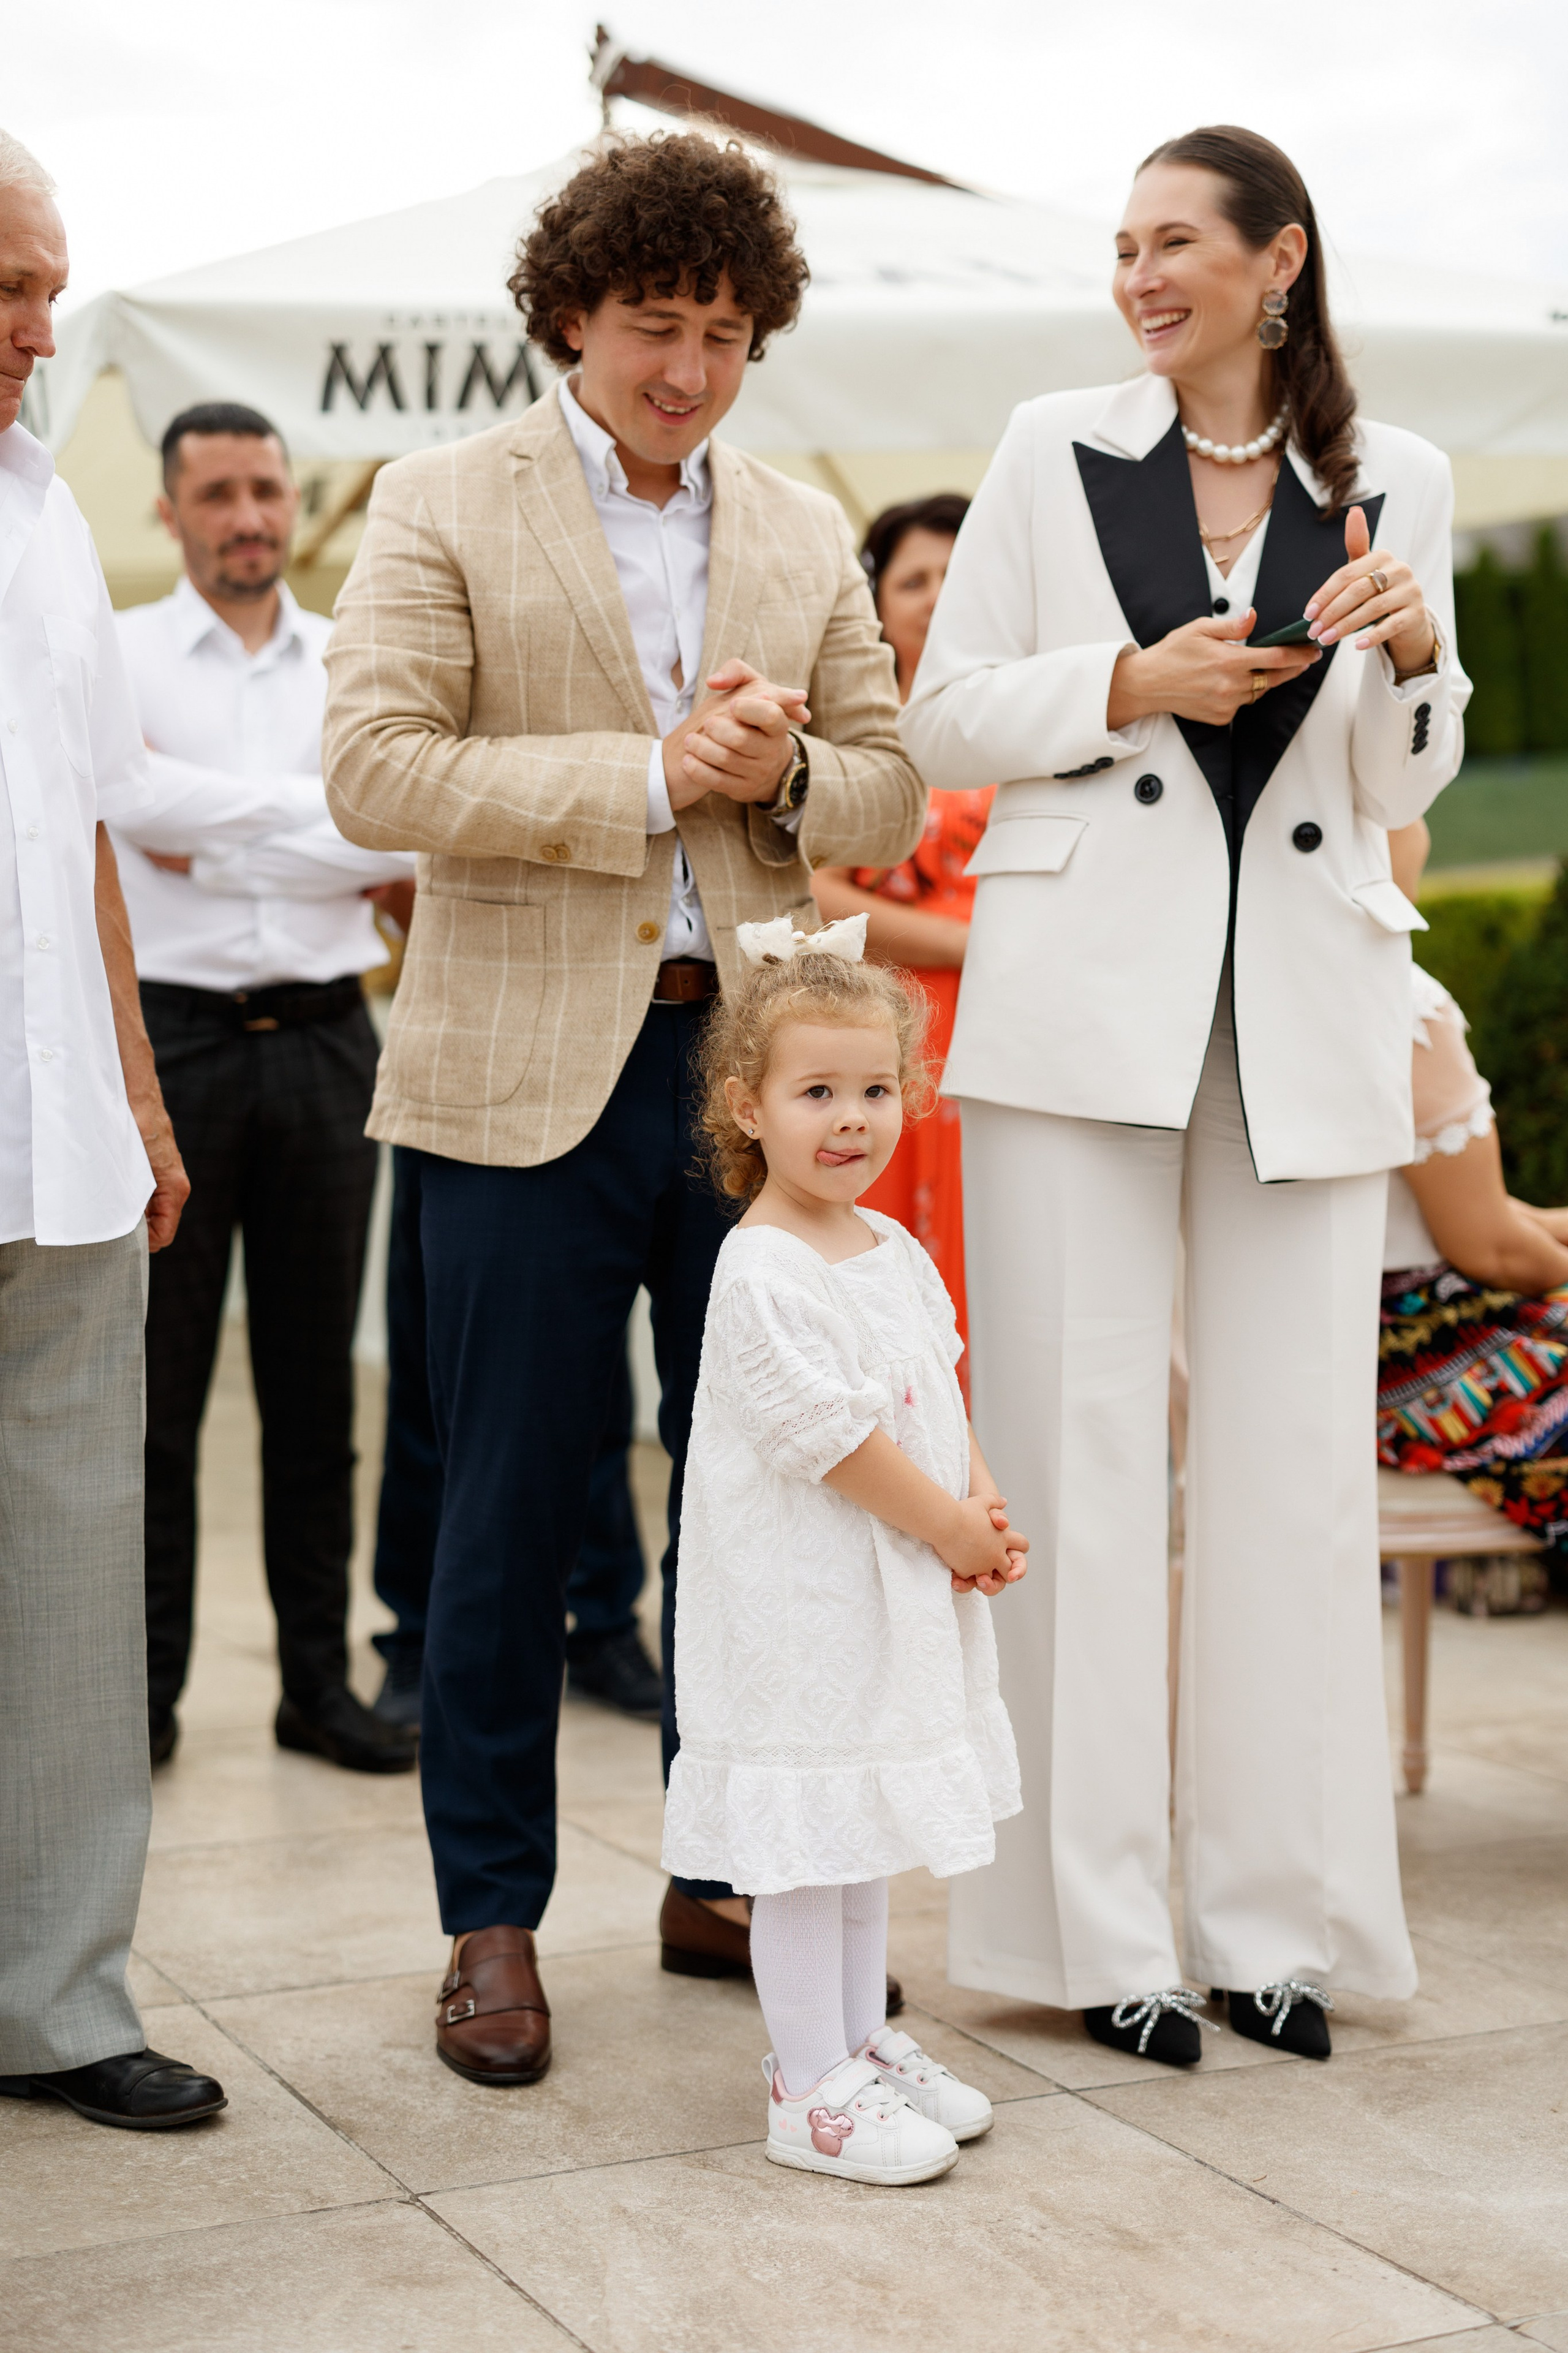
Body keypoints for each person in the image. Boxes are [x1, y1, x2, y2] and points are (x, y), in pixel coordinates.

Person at [324, 132, 924, 2087]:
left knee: (753, 1497)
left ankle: (717, 1875)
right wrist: (653, 773)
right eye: (656, 324)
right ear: (570, 314)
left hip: (744, 1086)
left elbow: (893, 782)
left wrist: (779, 777)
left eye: (727, 334)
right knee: (504, 1512)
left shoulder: (803, 524)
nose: (689, 368)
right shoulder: (438, 497)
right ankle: (489, 1917)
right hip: (513, 1087)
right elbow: (375, 768)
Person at [903, 125, 1469, 2066]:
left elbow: (1394, 784)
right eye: (1122, 244)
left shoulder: (1398, 477)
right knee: (1071, 1460)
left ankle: (1272, 1923)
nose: (1137, 276)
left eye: (1173, 242)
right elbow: (943, 713)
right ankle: (1095, 1932)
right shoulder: (1048, 446)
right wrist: (1129, 683)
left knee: (1291, 1471)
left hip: (1304, 1017)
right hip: (1079, 1012)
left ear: (1276, 260)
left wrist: (1418, 653)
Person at [663, 915, 1023, 2184]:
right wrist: (944, 1522)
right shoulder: (760, 1268)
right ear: (746, 1106)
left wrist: (979, 1506)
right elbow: (834, 1441)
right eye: (816, 1092)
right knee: (807, 1852)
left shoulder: (892, 1247)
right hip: (802, 1611)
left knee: (861, 1832)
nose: (851, 1119)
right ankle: (806, 2083)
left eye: (874, 1090)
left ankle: (861, 2043)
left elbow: (936, 1391)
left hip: (892, 1591)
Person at [0, 129, 225, 2131]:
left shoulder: (53, 514)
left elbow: (93, 825)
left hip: (62, 1143)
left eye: (52, 287)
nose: (40, 329)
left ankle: (61, 2007)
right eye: (9, 287)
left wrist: (143, 1096)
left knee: (75, 1596)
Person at [111, 402, 418, 1776]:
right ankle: (143, 1697)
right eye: (218, 493)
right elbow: (128, 803)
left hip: (327, 1040)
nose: (248, 517)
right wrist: (318, 826)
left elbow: (395, 831)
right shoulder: (120, 654)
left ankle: (317, 1688)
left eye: (267, 491)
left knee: (314, 1393)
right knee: (156, 1395)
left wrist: (210, 823)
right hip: (167, 1047)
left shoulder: (359, 660)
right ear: (169, 511)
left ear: (293, 503)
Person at [369, 1141, 662, 1729]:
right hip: (463, 1114)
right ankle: (416, 1634)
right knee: (444, 1375)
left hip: (623, 1103)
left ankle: (602, 1620)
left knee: (596, 1374)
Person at [812, 495, 990, 1362]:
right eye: (914, 579)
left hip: (1013, 1025)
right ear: (876, 603)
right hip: (887, 1032)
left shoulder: (1029, 720)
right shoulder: (854, 736)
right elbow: (813, 891)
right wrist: (970, 946)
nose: (937, 594)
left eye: (956, 572)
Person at [1379, 821, 1568, 1544]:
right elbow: (1492, 1250)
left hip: (1331, 1342)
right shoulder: (1402, 1005)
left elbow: (1445, 1209)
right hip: (1418, 1356)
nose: (1422, 833)